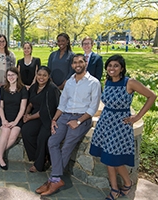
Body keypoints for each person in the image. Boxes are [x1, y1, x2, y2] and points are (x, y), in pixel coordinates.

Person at [89, 55, 156, 200]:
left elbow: (152, 96)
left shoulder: (129, 82)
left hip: (120, 126)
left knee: (114, 159)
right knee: (107, 158)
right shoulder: (108, 81)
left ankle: (124, 184)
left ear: (122, 68)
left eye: (116, 65)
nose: (112, 68)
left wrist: (137, 117)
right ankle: (117, 187)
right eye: (109, 65)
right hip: (105, 123)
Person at [36, 54, 101, 196]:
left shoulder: (94, 82)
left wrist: (78, 121)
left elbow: (92, 108)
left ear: (85, 63)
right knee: (52, 141)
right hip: (65, 116)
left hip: (81, 118)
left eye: (80, 62)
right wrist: (54, 120)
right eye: (75, 62)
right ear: (72, 65)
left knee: (66, 147)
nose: (77, 64)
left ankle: (54, 179)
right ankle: (55, 179)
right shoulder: (70, 82)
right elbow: (63, 103)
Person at [21, 66, 61, 173]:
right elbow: (30, 103)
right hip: (35, 115)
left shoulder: (52, 89)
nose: (41, 77)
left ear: (48, 77)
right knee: (26, 131)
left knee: (42, 137)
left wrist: (30, 117)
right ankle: (41, 157)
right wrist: (26, 114)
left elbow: (46, 110)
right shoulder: (34, 87)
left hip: (48, 117)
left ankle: (39, 165)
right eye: (39, 75)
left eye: (44, 75)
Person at [0, 67, 28, 170]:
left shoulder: (23, 89)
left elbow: (22, 108)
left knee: (14, 133)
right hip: (5, 117)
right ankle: (1, 159)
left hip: (17, 118)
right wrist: (3, 120)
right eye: (9, 75)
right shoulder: (3, 89)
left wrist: (15, 122)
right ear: (6, 77)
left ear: (17, 76)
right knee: (6, 130)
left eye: (13, 75)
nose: (11, 77)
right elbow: (0, 107)